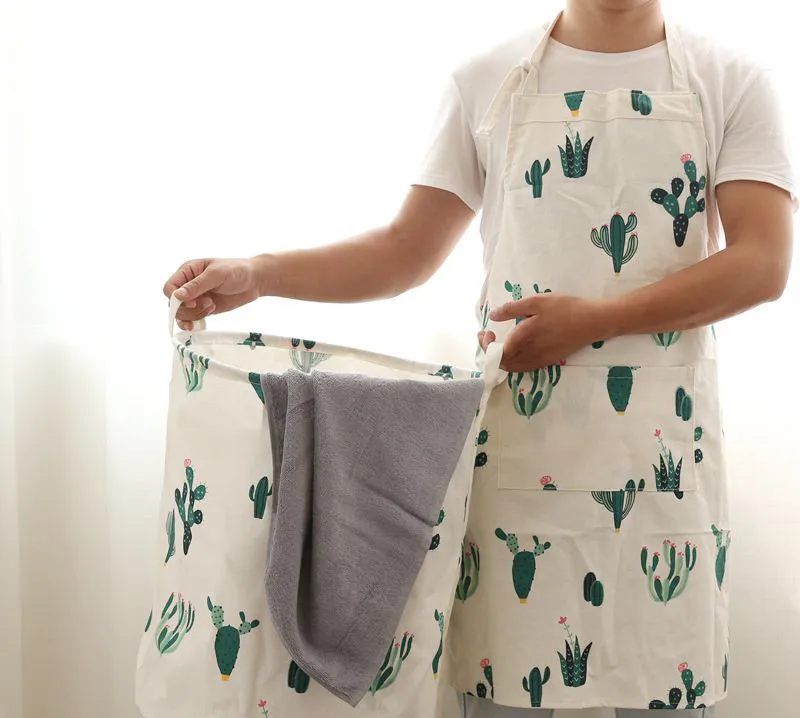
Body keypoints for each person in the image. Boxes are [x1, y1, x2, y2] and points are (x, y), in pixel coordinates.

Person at [163, 1, 795, 716]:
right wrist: (259, 274)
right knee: (504, 695)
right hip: (519, 458)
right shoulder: (488, 79)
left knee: (664, 692)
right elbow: (404, 252)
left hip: (660, 471)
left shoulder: (730, 78)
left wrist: (593, 322)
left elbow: (762, 262)